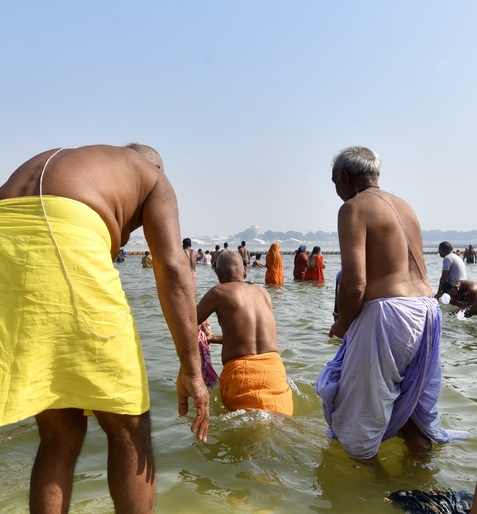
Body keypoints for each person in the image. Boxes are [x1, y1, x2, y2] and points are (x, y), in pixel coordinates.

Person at [0, 144, 209, 513]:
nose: (134, 227)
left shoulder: (82, 162)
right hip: (64, 229)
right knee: (128, 428)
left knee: (58, 435)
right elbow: (172, 269)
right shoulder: (153, 177)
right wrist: (192, 370)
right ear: (152, 166)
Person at [317, 146, 466, 460]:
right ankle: (422, 481)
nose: (337, 192)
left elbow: (355, 282)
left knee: (358, 421)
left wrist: (343, 324)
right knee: (409, 408)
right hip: (427, 312)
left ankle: (375, 496)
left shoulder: (353, 208)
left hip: (390, 314)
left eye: (334, 183)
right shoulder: (405, 206)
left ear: (345, 177)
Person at [196, 250, 293, 414]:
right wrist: (213, 338)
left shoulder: (218, 292)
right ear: (245, 271)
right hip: (274, 373)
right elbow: (251, 339)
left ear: (218, 273)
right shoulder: (263, 293)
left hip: (241, 377)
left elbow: (188, 323)